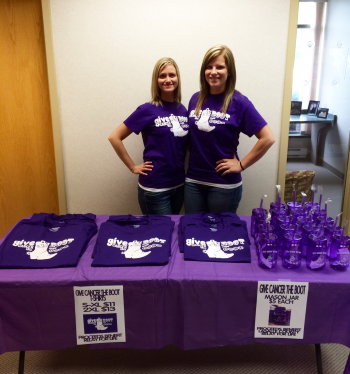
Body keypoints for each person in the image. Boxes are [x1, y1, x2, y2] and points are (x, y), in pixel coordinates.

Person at [185, 45, 275, 214]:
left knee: (221, 235)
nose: (213, 71)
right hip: (193, 181)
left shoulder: (239, 102)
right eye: (209, 67)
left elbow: (268, 138)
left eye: (220, 67)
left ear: (229, 71)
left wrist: (241, 165)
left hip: (224, 184)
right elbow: (192, 137)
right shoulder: (195, 99)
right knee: (192, 233)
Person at [108, 57, 189, 214]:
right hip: (155, 188)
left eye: (172, 75)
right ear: (156, 80)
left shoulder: (182, 109)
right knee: (159, 234)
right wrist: (133, 167)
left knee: (172, 232)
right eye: (162, 76)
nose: (168, 79)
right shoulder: (147, 110)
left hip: (179, 185)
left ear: (177, 78)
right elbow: (114, 137)